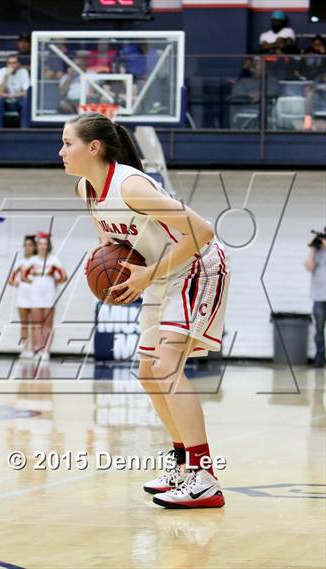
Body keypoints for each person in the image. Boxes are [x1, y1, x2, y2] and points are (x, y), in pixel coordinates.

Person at [59, 112, 231, 509]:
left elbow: (202, 231)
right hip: (160, 274)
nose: (61, 151)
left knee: (167, 365)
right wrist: (104, 262)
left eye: (68, 143)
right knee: (148, 371)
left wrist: (147, 274)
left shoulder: (130, 185)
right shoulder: (87, 188)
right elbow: (112, 242)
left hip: (196, 265)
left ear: (94, 147)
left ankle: (204, 477)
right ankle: (183, 464)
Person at [22, 232, 67, 362]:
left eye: (45, 244)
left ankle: (46, 351)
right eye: (40, 244)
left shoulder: (54, 260)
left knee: (47, 325)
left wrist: (55, 282)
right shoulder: (32, 260)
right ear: (37, 246)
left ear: (48, 245)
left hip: (49, 296)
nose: (42, 246)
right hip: (35, 296)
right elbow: (23, 276)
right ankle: (37, 349)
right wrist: (32, 281)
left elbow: (64, 276)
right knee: (36, 324)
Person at [8, 235, 37, 358]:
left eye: (30, 245)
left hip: (35, 297)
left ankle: (35, 349)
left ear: (34, 246)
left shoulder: (37, 261)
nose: (28, 247)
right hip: (22, 296)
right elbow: (10, 280)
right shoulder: (20, 263)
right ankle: (25, 349)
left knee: (35, 324)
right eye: (26, 245)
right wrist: (18, 283)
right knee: (24, 324)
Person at [305, 229, 326, 368]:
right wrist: (312, 248)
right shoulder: (317, 252)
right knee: (319, 331)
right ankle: (319, 358)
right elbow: (309, 267)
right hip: (319, 298)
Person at [0, 55, 30, 128]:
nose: (12, 65)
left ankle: (24, 128)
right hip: (5, 101)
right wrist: (6, 76)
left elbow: (26, 92)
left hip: (18, 100)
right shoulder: (1, 71)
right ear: (7, 64)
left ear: (18, 64)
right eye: (10, 63)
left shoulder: (23, 72)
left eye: (14, 63)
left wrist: (10, 95)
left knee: (26, 99)